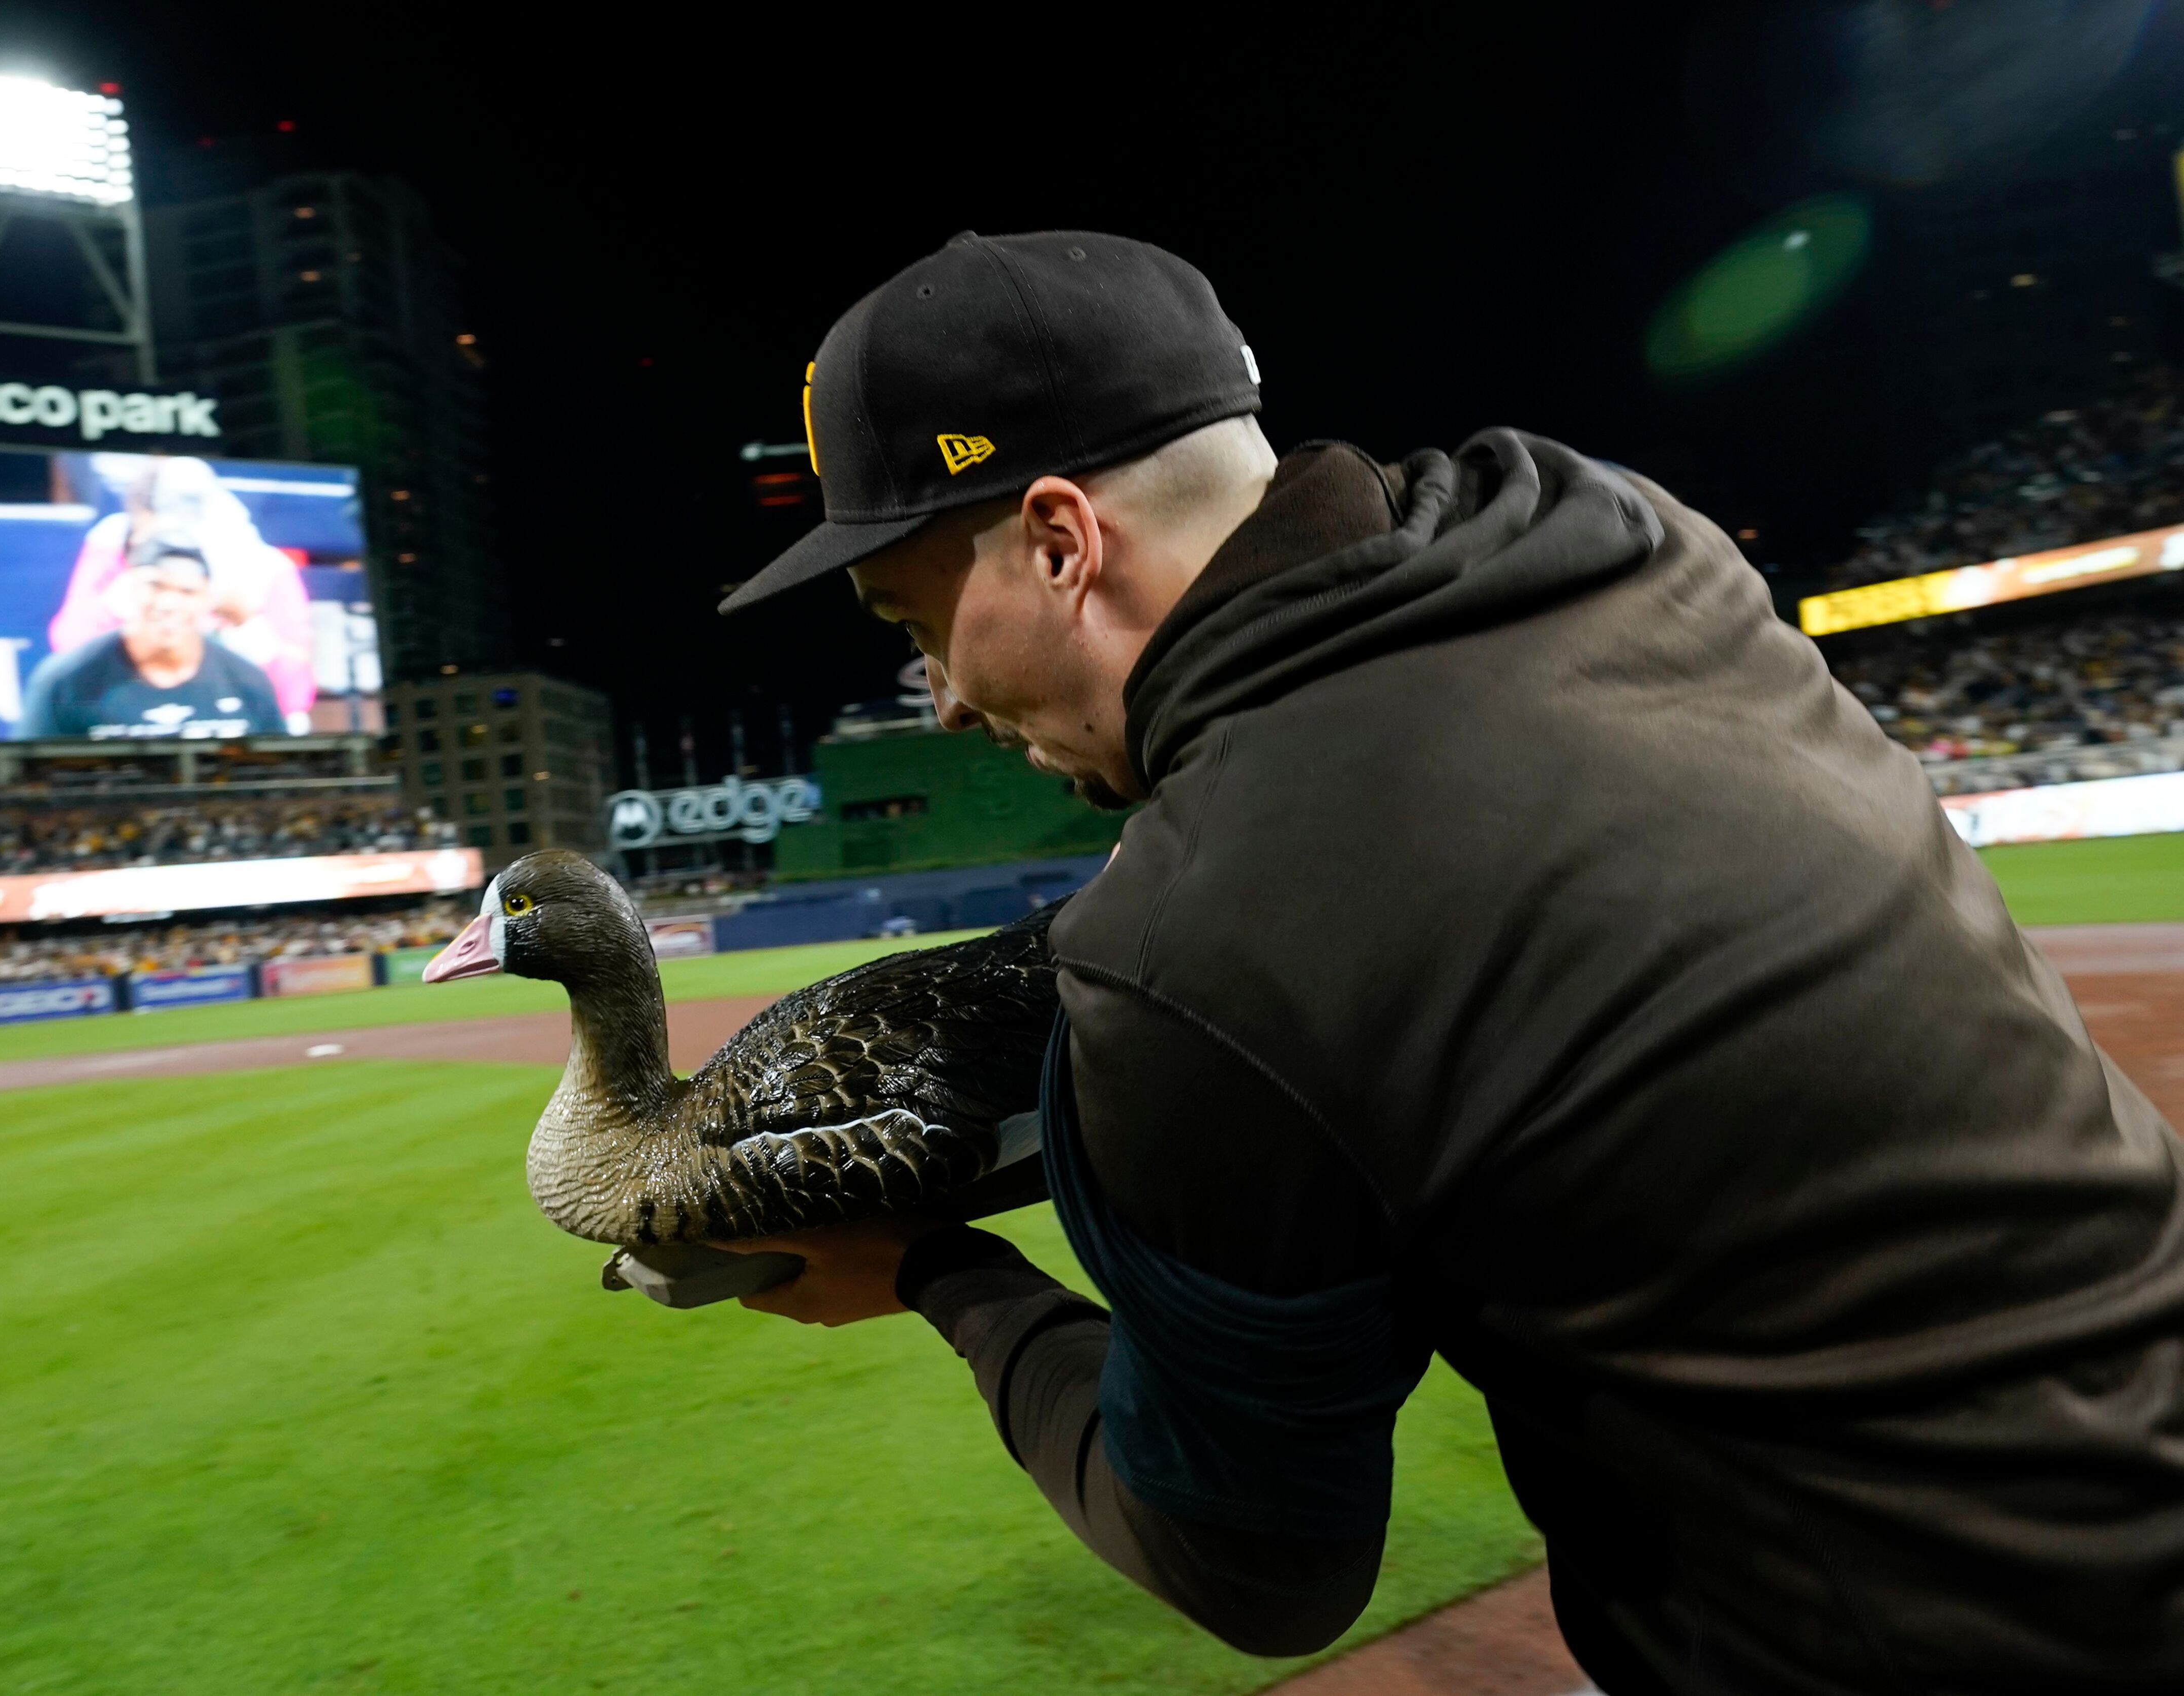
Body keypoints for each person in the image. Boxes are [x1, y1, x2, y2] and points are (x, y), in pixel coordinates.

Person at [715, 232, 2184, 1692]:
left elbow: (1252, 1562)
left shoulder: (1203, 944)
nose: (947, 700)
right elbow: (1413, 882)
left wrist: (938, 1271)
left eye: (921, 623)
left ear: (1060, 540)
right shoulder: (1621, 537)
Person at [49, 456, 317, 730]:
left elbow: (292, 698)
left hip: (228, 727)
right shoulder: (117, 543)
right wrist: (126, 601)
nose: (179, 555)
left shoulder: (260, 563)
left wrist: (244, 624)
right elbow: (69, 651)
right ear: (143, 521)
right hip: (126, 720)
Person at [16, 536, 284, 741]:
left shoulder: (247, 681)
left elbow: (283, 773)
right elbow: (21, 777)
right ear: (129, 591)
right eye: (154, 587)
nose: (168, 603)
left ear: (207, 601)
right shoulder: (65, 681)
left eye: (187, 592)